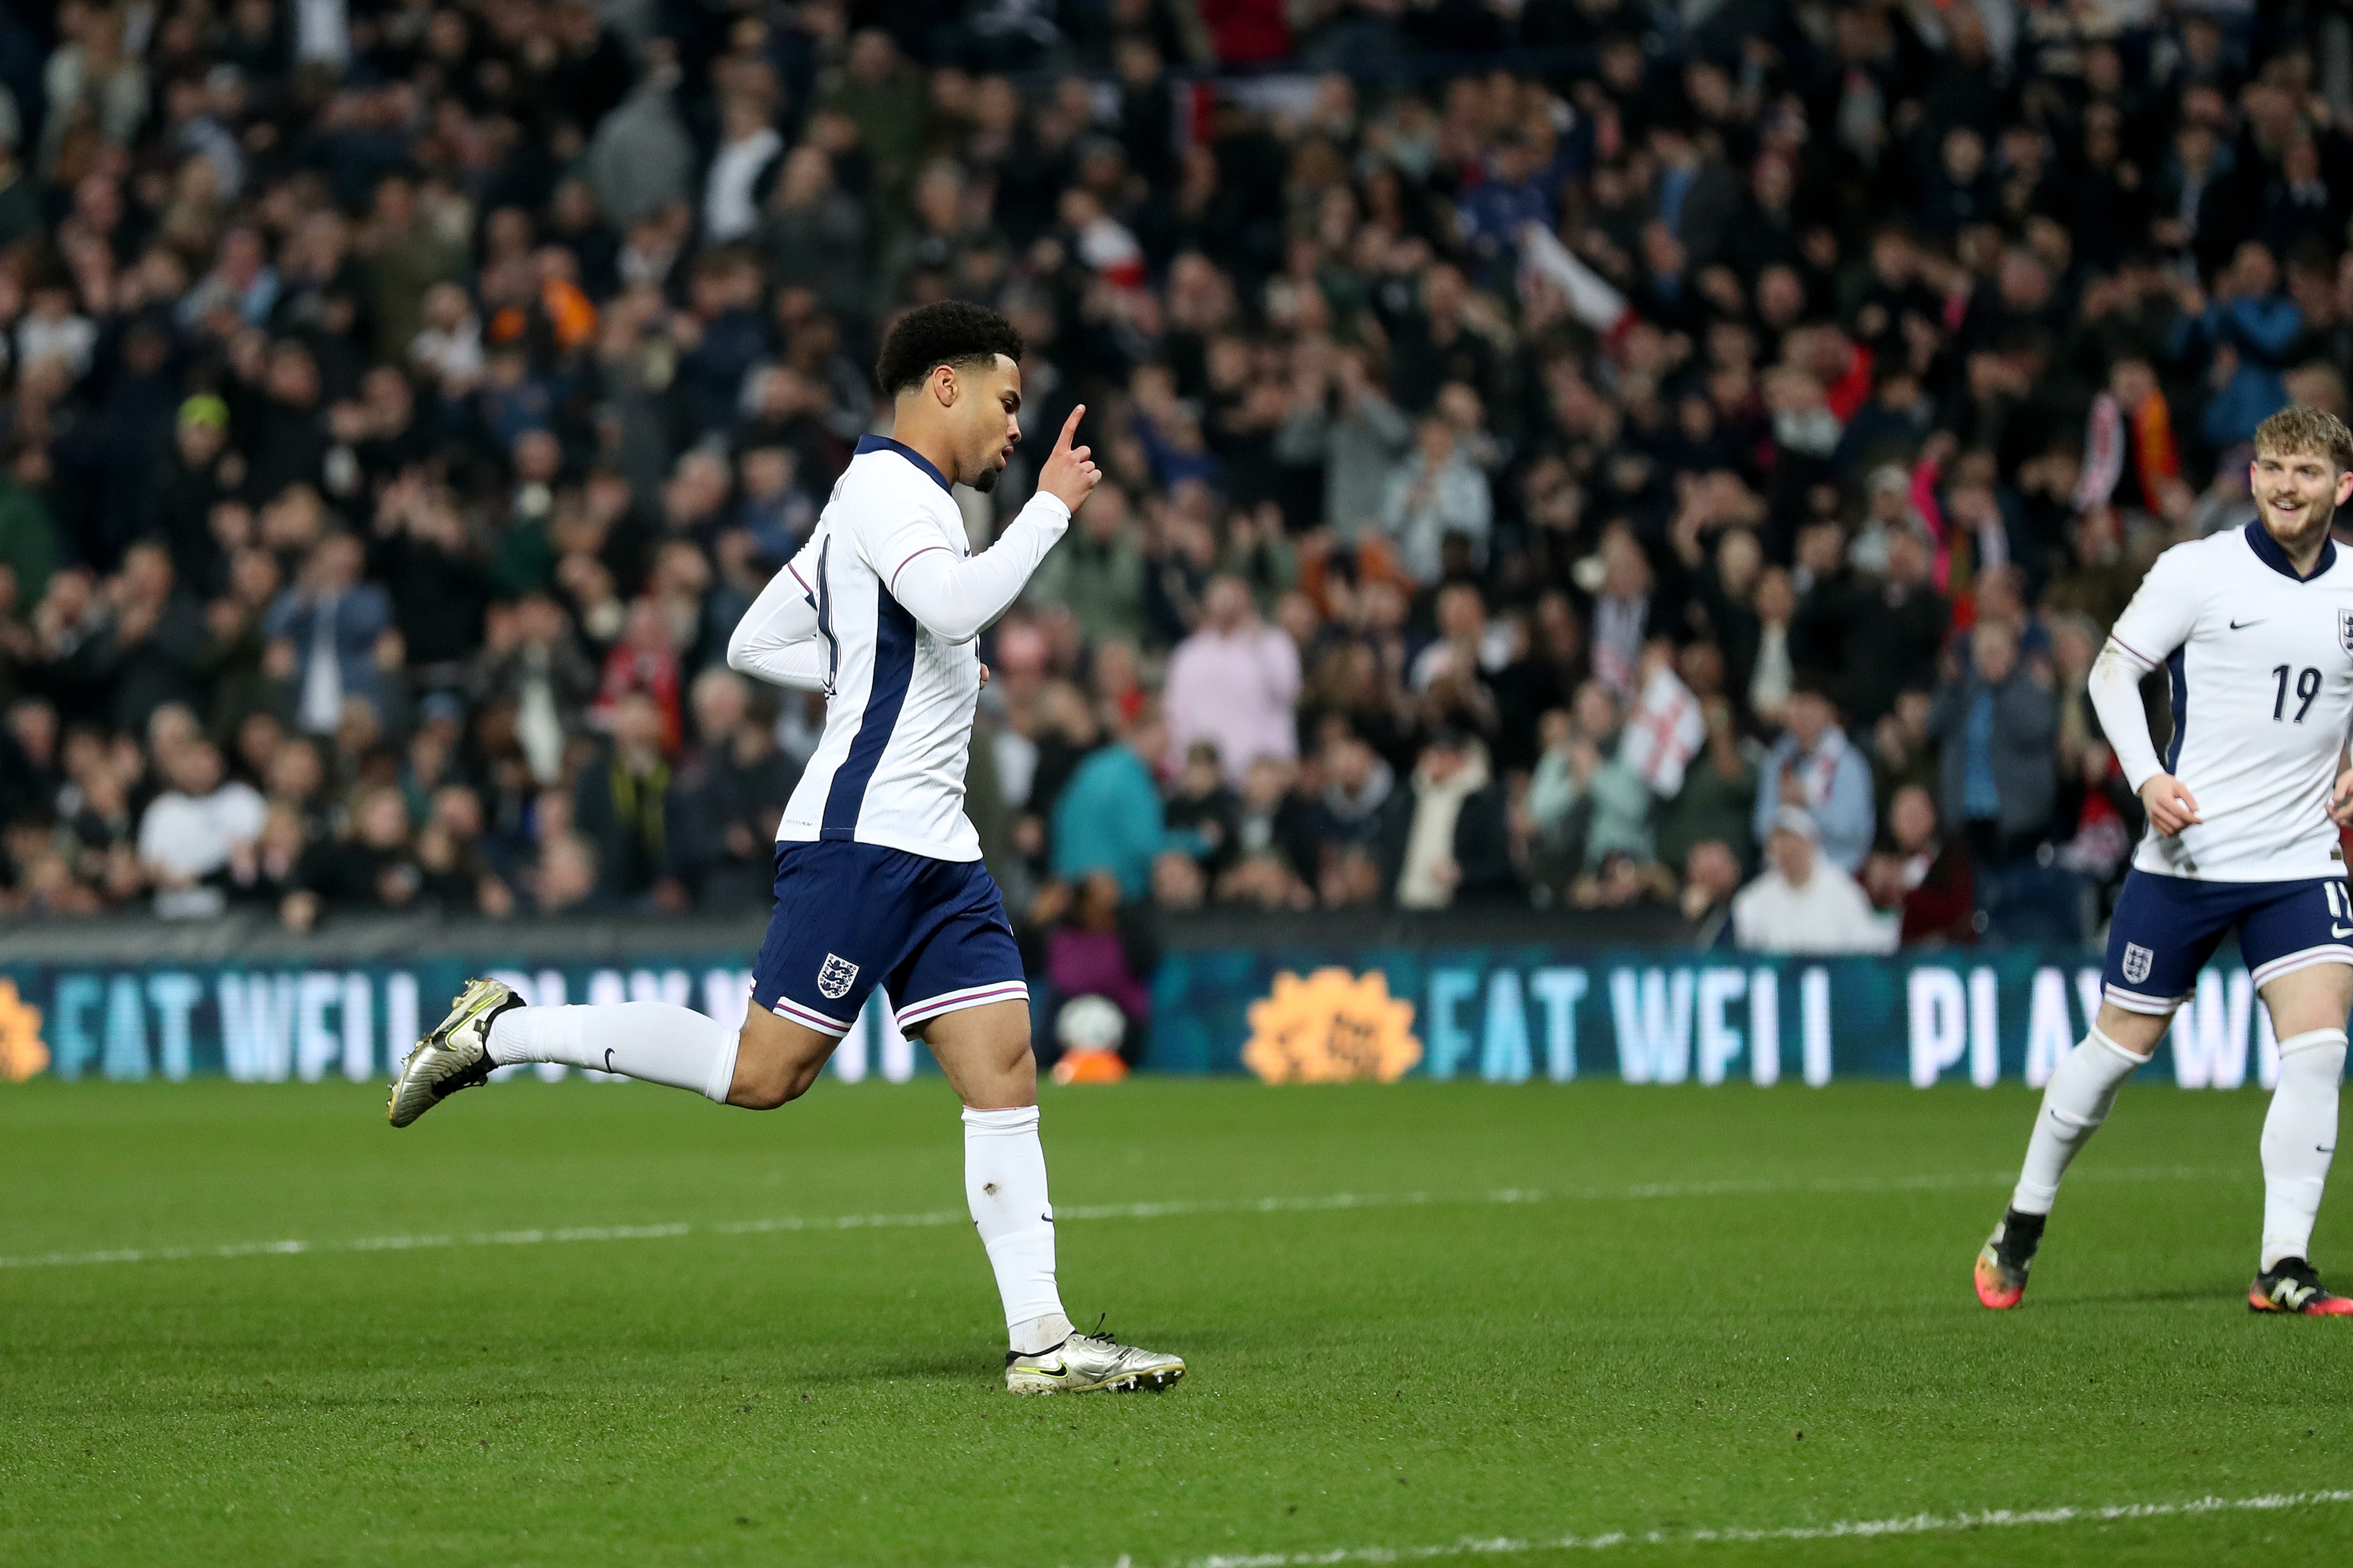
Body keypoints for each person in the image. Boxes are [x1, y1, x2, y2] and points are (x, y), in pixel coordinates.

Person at [386, 302, 1187, 1390]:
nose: (1017, 428)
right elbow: (949, 606)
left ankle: (1043, 1341)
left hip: (935, 846)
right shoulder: (893, 490)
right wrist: (1045, 512)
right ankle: (505, 1028)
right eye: (1006, 401)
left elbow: (756, 639)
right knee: (763, 1072)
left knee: (1002, 1068)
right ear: (940, 388)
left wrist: (886, 665)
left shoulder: (884, 493)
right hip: (862, 838)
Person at [1976, 406, 2353, 1318]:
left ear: (2342, 488)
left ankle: (2282, 1263)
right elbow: (2111, 672)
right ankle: (2022, 1220)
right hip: (2188, 857)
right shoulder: (2198, 569)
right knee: (2115, 1052)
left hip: (2300, 858)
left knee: (2317, 1049)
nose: (2283, 486)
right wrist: (2146, 777)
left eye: (2304, 472)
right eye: (2271, 468)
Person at [1729, 806, 1896, 955]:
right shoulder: (1753, 900)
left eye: (1793, 842)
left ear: (1811, 844)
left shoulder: (1843, 891)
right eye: (1780, 843)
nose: (1787, 850)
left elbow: (1865, 948)